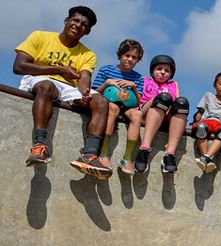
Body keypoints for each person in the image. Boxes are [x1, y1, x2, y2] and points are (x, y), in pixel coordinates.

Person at [16, 6, 109, 179]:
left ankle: (89, 155)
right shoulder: (40, 36)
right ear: (66, 21)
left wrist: (85, 93)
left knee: (101, 101)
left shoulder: (88, 54)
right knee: (47, 86)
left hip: (67, 87)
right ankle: (39, 145)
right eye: (75, 20)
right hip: (38, 79)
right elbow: (19, 66)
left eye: (84, 24)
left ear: (87, 32)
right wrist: (58, 70)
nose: (78, 25)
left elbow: (84, 77)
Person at [90, 39, 144, 174]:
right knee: (113, 108)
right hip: (109, 104)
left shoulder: (138, 78)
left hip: (128, 106)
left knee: (137, 114)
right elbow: (94, 93)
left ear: (138, 60)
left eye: (134, 57)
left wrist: (134, 87)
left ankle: (127, 158)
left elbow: (138, 103)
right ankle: (104, 153)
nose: (130, 59)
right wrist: (107, 83)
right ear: (120, 55)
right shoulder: (106, 70)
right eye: (127, 55)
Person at [132, 55, 190, 173]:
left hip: (165, 114)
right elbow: (137, 101)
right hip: (146, 111)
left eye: (167, 71)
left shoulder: (174, 84)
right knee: (163, 98)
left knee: (182, 102)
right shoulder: (145, 80)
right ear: (152, 71)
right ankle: (144, 149)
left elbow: (177, 102)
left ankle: (169, 154)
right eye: (159, 69)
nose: (163, 72)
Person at [190, 72, 221, 174]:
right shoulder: (208, 96)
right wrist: (197, 117)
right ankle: (206, 159)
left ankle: (206, 157)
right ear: (214, 85)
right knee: (200, 127)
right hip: (207, 121)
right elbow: (200, 112)